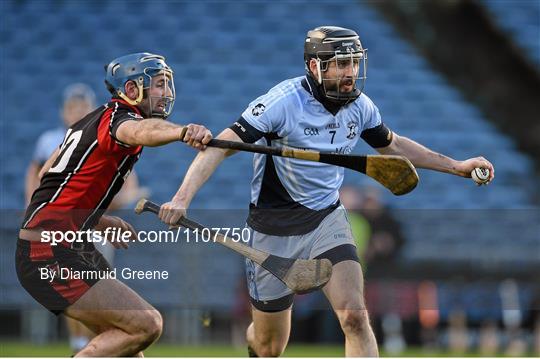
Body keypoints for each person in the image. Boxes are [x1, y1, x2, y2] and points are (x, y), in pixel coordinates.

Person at [159, 26, 495, 357]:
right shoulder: (283, 102)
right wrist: (181, 199)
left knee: (354, 316)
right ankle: (256, 335)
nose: (351, 73)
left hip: (326, 221)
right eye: (341, 64)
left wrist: (457, 166)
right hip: (272, 229)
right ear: (315, 66)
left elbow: (393, 147)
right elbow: (220, 147)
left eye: (354, 63)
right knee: (269, 345)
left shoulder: (360, 107)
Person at [16, 52, 212, 357]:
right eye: (159, 85)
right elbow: (141, 131)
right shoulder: (119, 121)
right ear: (132, 90)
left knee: (130, 347)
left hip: (62, 245)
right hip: (48, 252)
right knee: (147, 324)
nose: (167, 93)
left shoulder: (91, 120)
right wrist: (182, 131)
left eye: (167, 85)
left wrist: (98, 220)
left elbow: (48, 177)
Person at [24, 82, 149, 353]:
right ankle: (78, 345)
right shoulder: (58, 138)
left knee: (122, 323)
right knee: (138, 323)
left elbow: (124, 187)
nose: (77, 110)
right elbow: (41, 177)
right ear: (64, 110)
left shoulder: (94, 132)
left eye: (82, 106)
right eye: (73, 106)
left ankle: (85, 346)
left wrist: (101, 217)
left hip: (82, 226)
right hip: (60, 233)